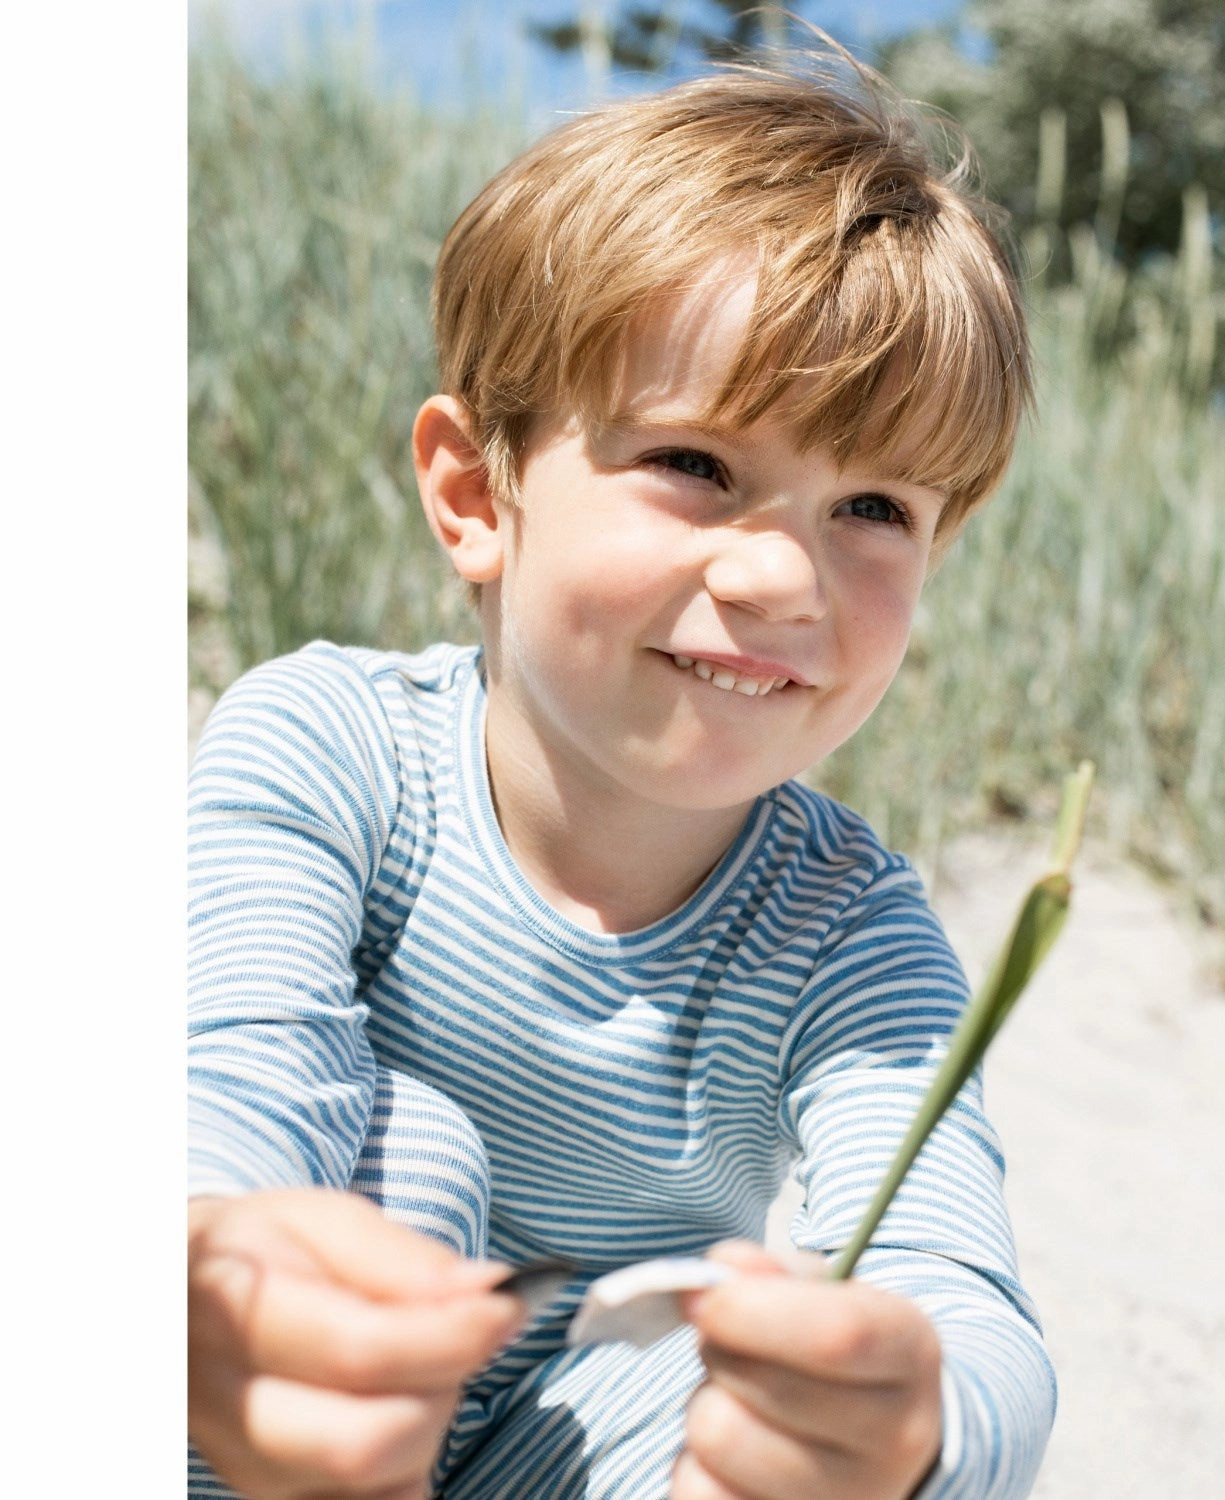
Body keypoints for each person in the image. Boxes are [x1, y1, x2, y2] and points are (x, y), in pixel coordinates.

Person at [188, 45, 1056, 1500]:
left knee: (732, 1365)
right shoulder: (327, 746)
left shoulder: (851, 937)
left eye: (871, 506)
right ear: (479, 494)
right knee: (415, 1160)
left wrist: (902, 1429)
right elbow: (221, 1080)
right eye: (696, 464)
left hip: (572, 1456)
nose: (786, 577)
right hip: (235, 1423)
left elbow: (962, 1298)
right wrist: (210, 1251)